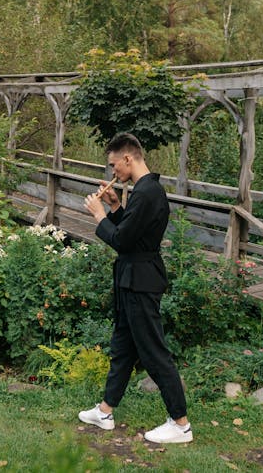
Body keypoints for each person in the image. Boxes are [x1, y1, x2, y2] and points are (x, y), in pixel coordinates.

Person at [79, 132, 192, 444]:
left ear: (128, 159)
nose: (112, 173)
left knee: (154, 351)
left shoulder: (146, 193)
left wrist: (99, 216)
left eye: (114, 165)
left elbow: (121, 241)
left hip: (141, 280)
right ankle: (104, 411)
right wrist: (115, 207)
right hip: (133, 277)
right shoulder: (143, 190)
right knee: (123, 347)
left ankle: (180, 423)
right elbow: (132, 232)